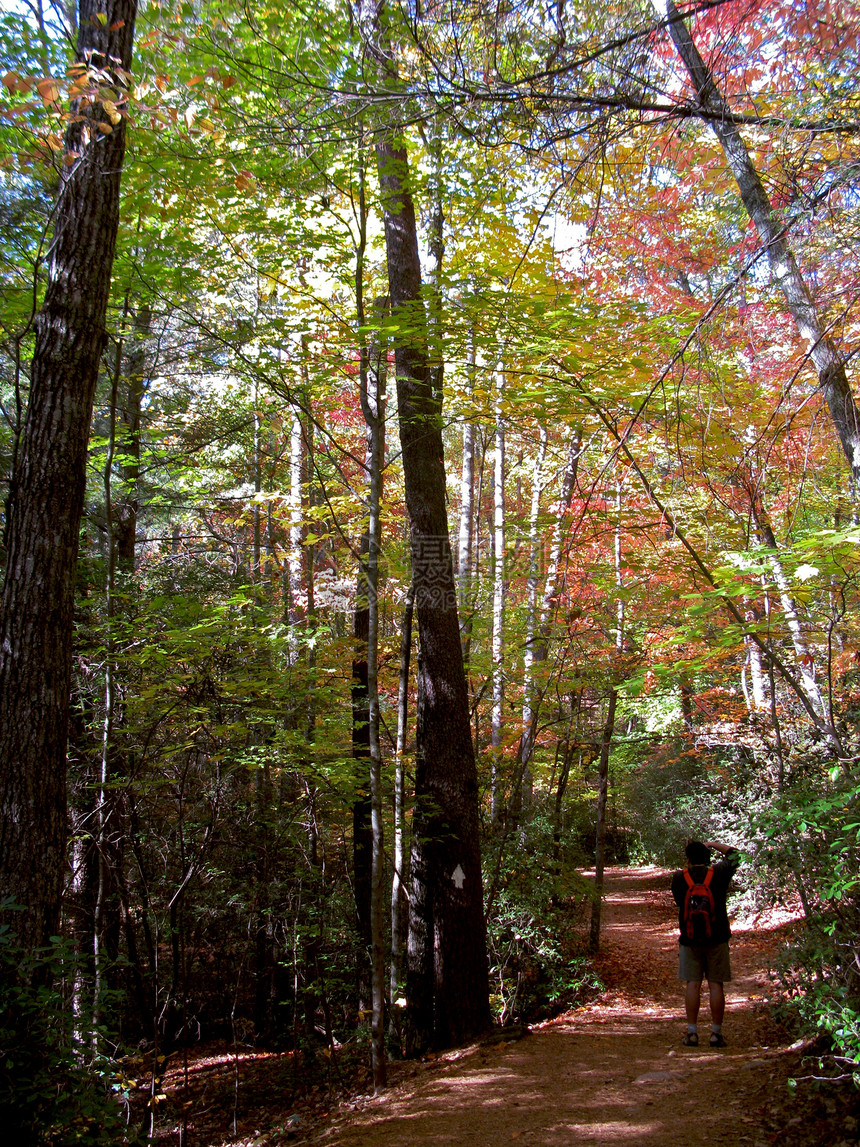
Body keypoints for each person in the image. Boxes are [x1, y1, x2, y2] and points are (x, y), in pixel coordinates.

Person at [671, 839, 740, 1048]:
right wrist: (713, 843)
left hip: (690, 940)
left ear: (688, 859)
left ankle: (692, 1033)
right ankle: (715, 1034)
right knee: (715, 984)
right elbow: (736, 855)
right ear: (708, 857)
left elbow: (678, 903)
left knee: (693, 983)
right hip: (717, 938)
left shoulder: (679, 878)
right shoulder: (718, 873)